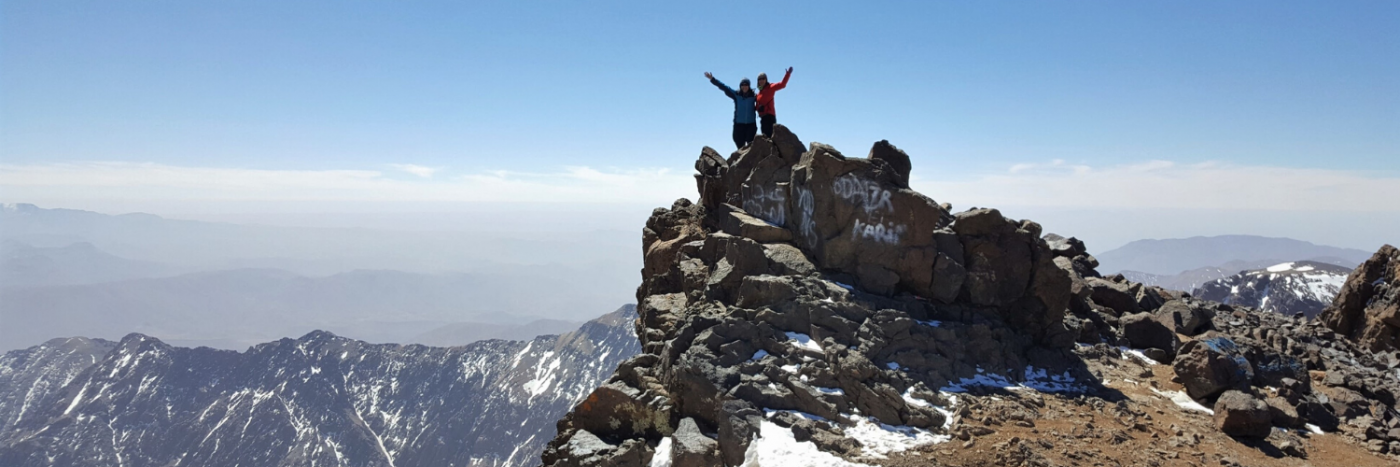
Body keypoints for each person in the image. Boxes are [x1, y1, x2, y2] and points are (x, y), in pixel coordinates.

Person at [704, 72, 757, 149]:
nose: (744, 86)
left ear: (749, 86)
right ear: (740, 86)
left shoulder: (754, 96)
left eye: (746, 85)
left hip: (751, 125)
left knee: (751, 147)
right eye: (742, 85)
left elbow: (763, 100)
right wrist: (712, 79)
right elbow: (724, 87)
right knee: (740, 147)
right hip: (739, 125)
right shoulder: (736, 95)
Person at [754, 67, 792, 138]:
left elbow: (782, 84)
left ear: (766, 80)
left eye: (763, 78)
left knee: (771, 138)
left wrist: (788, 74)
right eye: (760, 79)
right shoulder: (758, 94)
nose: (761, 80)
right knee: (765, 138)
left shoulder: (771, 87)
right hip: (763, 119)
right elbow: (756, 107)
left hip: (770, 117)